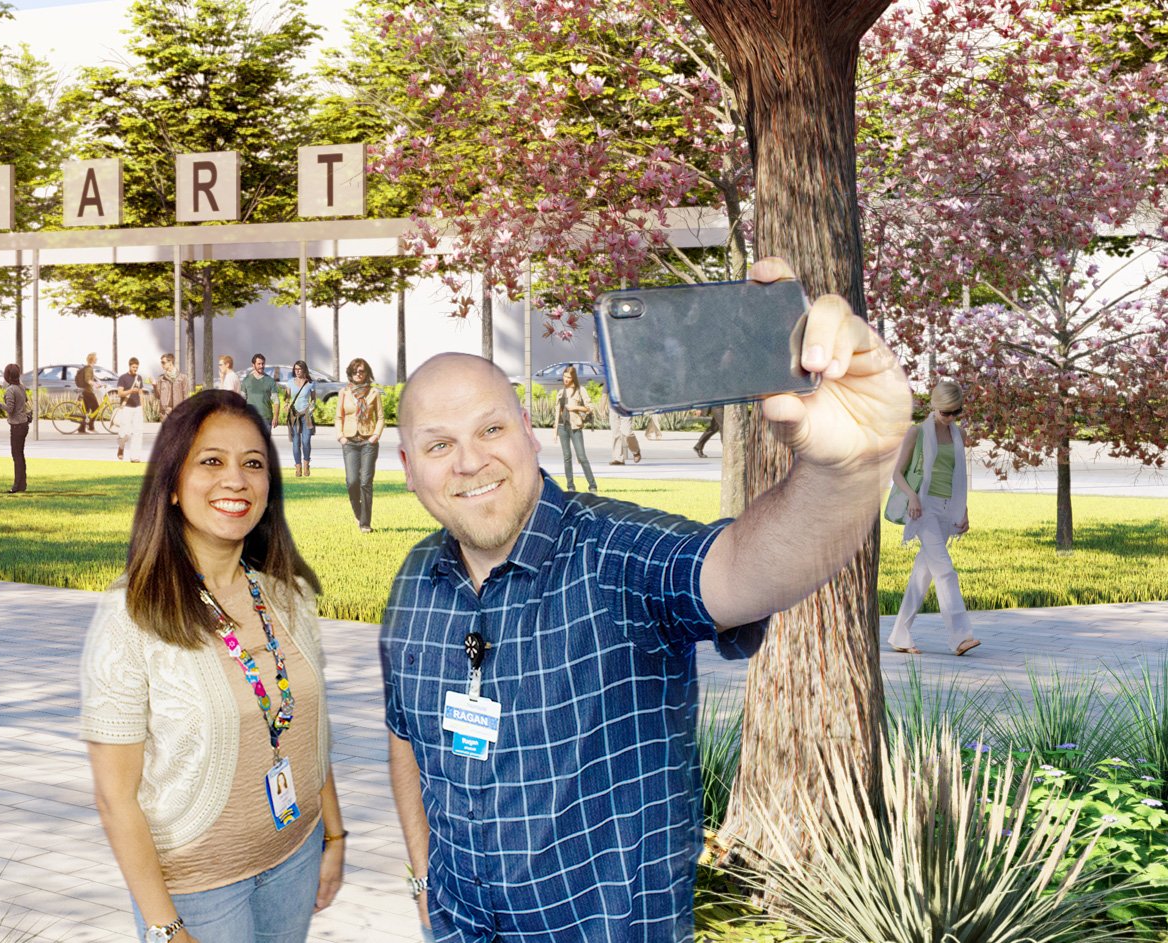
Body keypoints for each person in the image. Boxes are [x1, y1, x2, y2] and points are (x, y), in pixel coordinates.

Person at [383, 258, 910, 942]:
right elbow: (406, 734)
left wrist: (847, 471)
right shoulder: (415, 580)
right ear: (407, 468)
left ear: (528, 430)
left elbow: (746, 569)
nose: (469, 461)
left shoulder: (618, 555)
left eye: (490, 430)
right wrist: (425, 882)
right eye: (438, 444)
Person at [82, 389, 346, 943]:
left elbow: (309, 729)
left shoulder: (288, 596)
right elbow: (114, 796)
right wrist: (165, 925)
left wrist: (333, 837)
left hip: (294, 857)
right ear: (173, 485)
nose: (236, 480)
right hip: (198, 890)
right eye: (211, 462)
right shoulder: (132, 615)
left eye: (253, 464)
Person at [887, 378, 977, 656]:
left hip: (948, 508)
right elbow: (896, 473)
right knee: (945, 570)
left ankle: (899, 635)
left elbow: (958, 477)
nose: (950, 418)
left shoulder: (957, 434)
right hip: (923, 508)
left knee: (922, 575)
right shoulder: (917, 433)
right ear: (934, 406)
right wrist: (913, 497)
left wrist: (963, 511)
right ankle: (960, 637)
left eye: (956, 412)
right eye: (945, 412)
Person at [336, 358, 383, 533]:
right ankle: (358, 512)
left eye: (362, 371)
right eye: (356, 371)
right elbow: (339, 417)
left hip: (368, 441)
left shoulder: (374, 393)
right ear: (350, 373)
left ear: (366, 373)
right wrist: (341, 437)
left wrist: (375, 436)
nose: (359, 374)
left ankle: (365, 523)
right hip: (350, 441)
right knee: (352, 481)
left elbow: (380, 418)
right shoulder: (344, 392)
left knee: (365, 482)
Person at [554, 366, 598, 492]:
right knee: (567, 457)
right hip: (562, 427)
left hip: (575, 427)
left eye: (568, 377)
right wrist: (555, 430)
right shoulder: (561, 392)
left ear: (573, 378)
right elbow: (557, 412)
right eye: (564, 376)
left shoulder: (580, 390)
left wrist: (575, 408)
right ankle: (570, 486)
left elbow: (590, 407)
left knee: (581, 456)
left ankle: (592, 485)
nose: (566, 379)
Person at [3, 363, 31, 493]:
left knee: (16, 456)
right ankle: (22, 484)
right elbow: (25, 401)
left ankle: (16, 485)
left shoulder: (10, 390)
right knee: (20, 455)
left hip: (16, 426)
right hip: (24, 424)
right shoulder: (21, 387)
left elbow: (10, 409)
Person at [284, 360, 316, 477]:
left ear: (304, 370)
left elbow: (313, 400)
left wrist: (311, 409)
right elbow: (287, 399)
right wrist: (286, 405)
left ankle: (306, 464)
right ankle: (298, 467)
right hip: (294, 416)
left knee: (306, 441)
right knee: (296, 442)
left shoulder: (310, 383)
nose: (297, 371)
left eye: (299, 369)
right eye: (295, 369)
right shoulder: (290, 383)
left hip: (306, 415)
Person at [114, 357, 146, 462]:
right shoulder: (123, 378)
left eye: (137, 367)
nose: (135, 369)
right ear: (129, 366)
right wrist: (131, 391)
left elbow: (141, 393)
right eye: (133, 367)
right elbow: (120, 393)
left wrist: (143, 408)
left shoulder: (139, 378)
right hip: (126, 408)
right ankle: (121, 448)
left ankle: (135, 457)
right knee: (125, 433)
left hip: (137, 408)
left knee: (138, 432)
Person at [240, 354, 279, 429]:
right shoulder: (246, 381)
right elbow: (242, 400)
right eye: (259, 364)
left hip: (266, 418)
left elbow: (276, 401)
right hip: (251, 418)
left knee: (264, 441)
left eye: (263, 363)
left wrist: (276, 416)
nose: (261, 366)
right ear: (253, 365)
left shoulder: (270, 381)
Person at [155, 354, 190, 418]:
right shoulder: (161, 378)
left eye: (163, 362)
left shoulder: (183, 377)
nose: (161, 365)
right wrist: (154, 386)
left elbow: (186, 396)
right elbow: (157, 396)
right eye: (161, 362)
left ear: (170, 362)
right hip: (165, 412)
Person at [78, 352, 102, 434]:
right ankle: (91, 427)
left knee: (86, 411)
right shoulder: (89, 369)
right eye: (96, 358)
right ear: (92, 359)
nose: (97, 359)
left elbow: (92, 379)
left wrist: (99, 383)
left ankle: (82, 428)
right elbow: (88, 380)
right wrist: (95, 384)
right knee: (96, 408)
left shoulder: (89, 368)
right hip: (87, 392)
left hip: (86, 391)